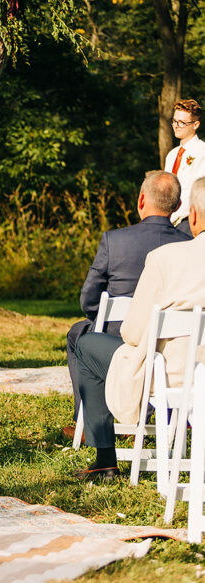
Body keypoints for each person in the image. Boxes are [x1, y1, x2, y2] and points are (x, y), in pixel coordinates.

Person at [72, 175, 205, 482]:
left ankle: (105, 459)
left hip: (172, 374)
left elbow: (132, 332)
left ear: (193, 214)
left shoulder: (166, 258)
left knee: (87, 344)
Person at [165, 98, 205, 234]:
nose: (176, 126)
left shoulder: (202, 152)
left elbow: (199, 193)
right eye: (174, 121)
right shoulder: (171, 155)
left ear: (195, 125)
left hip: (189, 221)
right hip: (169, 222)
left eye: (182, 122)